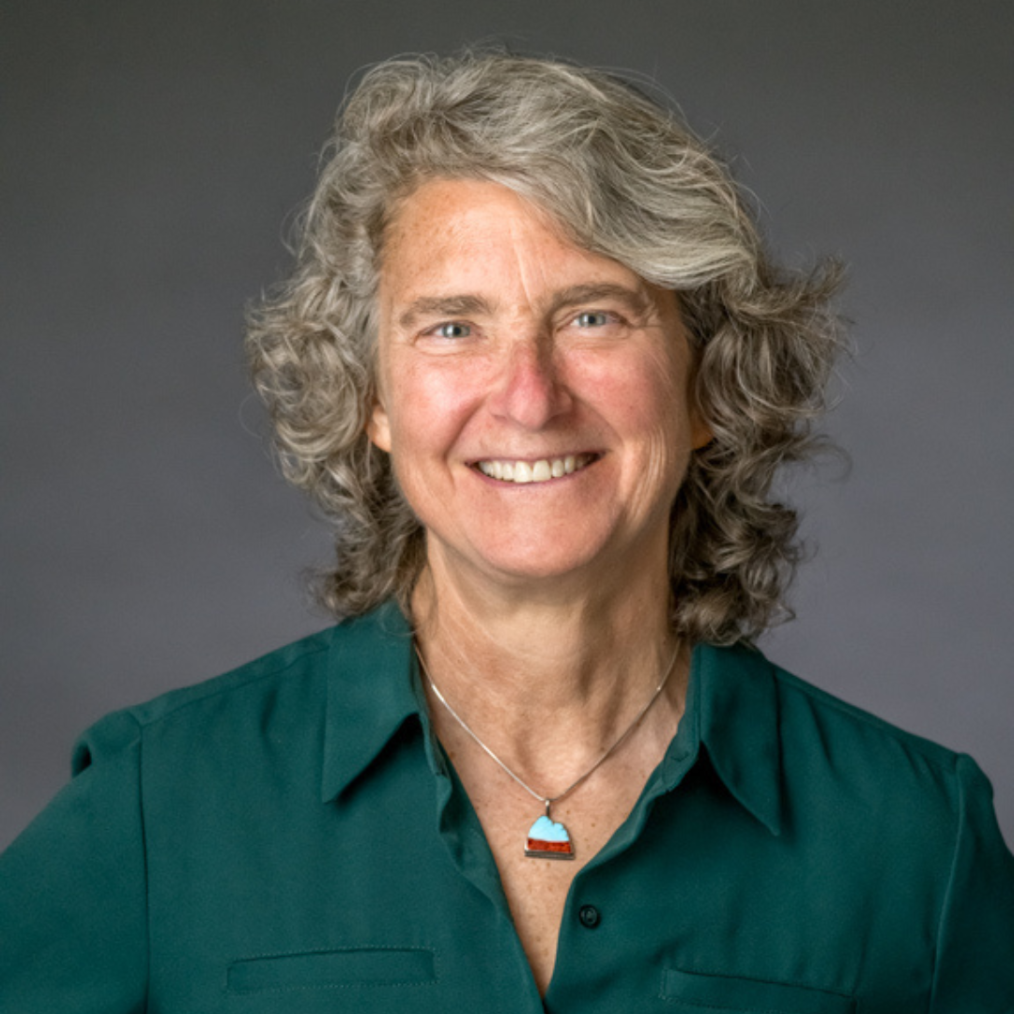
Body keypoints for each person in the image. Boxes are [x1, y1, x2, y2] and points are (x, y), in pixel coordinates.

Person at [1, 51, 1012, 1012]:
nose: (529, 399)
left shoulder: (916, 840)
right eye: (453, 325)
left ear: (708, 383)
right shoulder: (161, 801)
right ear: (375, 402)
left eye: (593, 317)